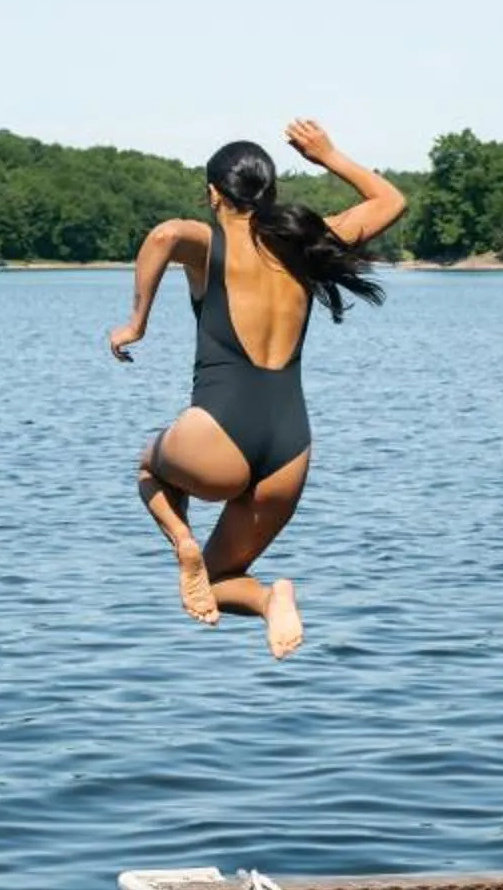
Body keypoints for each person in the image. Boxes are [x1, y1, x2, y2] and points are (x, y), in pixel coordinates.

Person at [107, 118, 403, 656]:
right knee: (223, 583)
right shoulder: (306, 242)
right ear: (270, 193)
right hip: (289, 449)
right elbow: (390, 200)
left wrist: (136, 323)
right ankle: (272, 600)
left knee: (148, 467)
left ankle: (185, 545)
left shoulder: (210, 243)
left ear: (214, 194)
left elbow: (164, 235)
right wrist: (329, 154)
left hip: (217, 434)